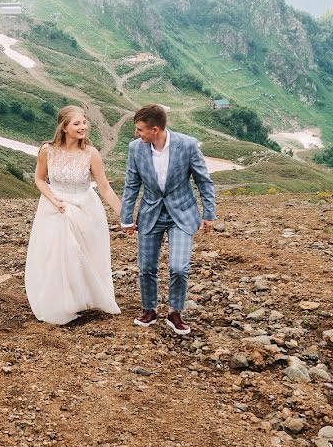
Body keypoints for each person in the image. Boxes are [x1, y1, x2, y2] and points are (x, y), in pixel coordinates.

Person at [120, 104, 215, 335]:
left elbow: (204, 181)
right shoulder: (135, 149)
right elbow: (131, 185)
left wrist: (209, 214)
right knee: (147, 267)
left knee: (179, 267)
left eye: (140, 129)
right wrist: (126, 218)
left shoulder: (188, 145)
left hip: (181, 214)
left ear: (155, 129)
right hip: (150, 213)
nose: (137, 134)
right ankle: (149, 309)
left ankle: (175, 312)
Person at [24, 105, 122, 325]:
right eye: (77, 123)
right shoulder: (47, 150)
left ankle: (83, 299)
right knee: (58, 254)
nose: (83, 127)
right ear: (64, 127)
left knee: (82, 254)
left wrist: (122, 213)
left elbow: (104, 187)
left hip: (85, 207)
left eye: (84, 122)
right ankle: (61, 303)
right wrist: (53, 200)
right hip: (54, 207)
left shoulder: (91, 153)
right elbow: (40, 179)